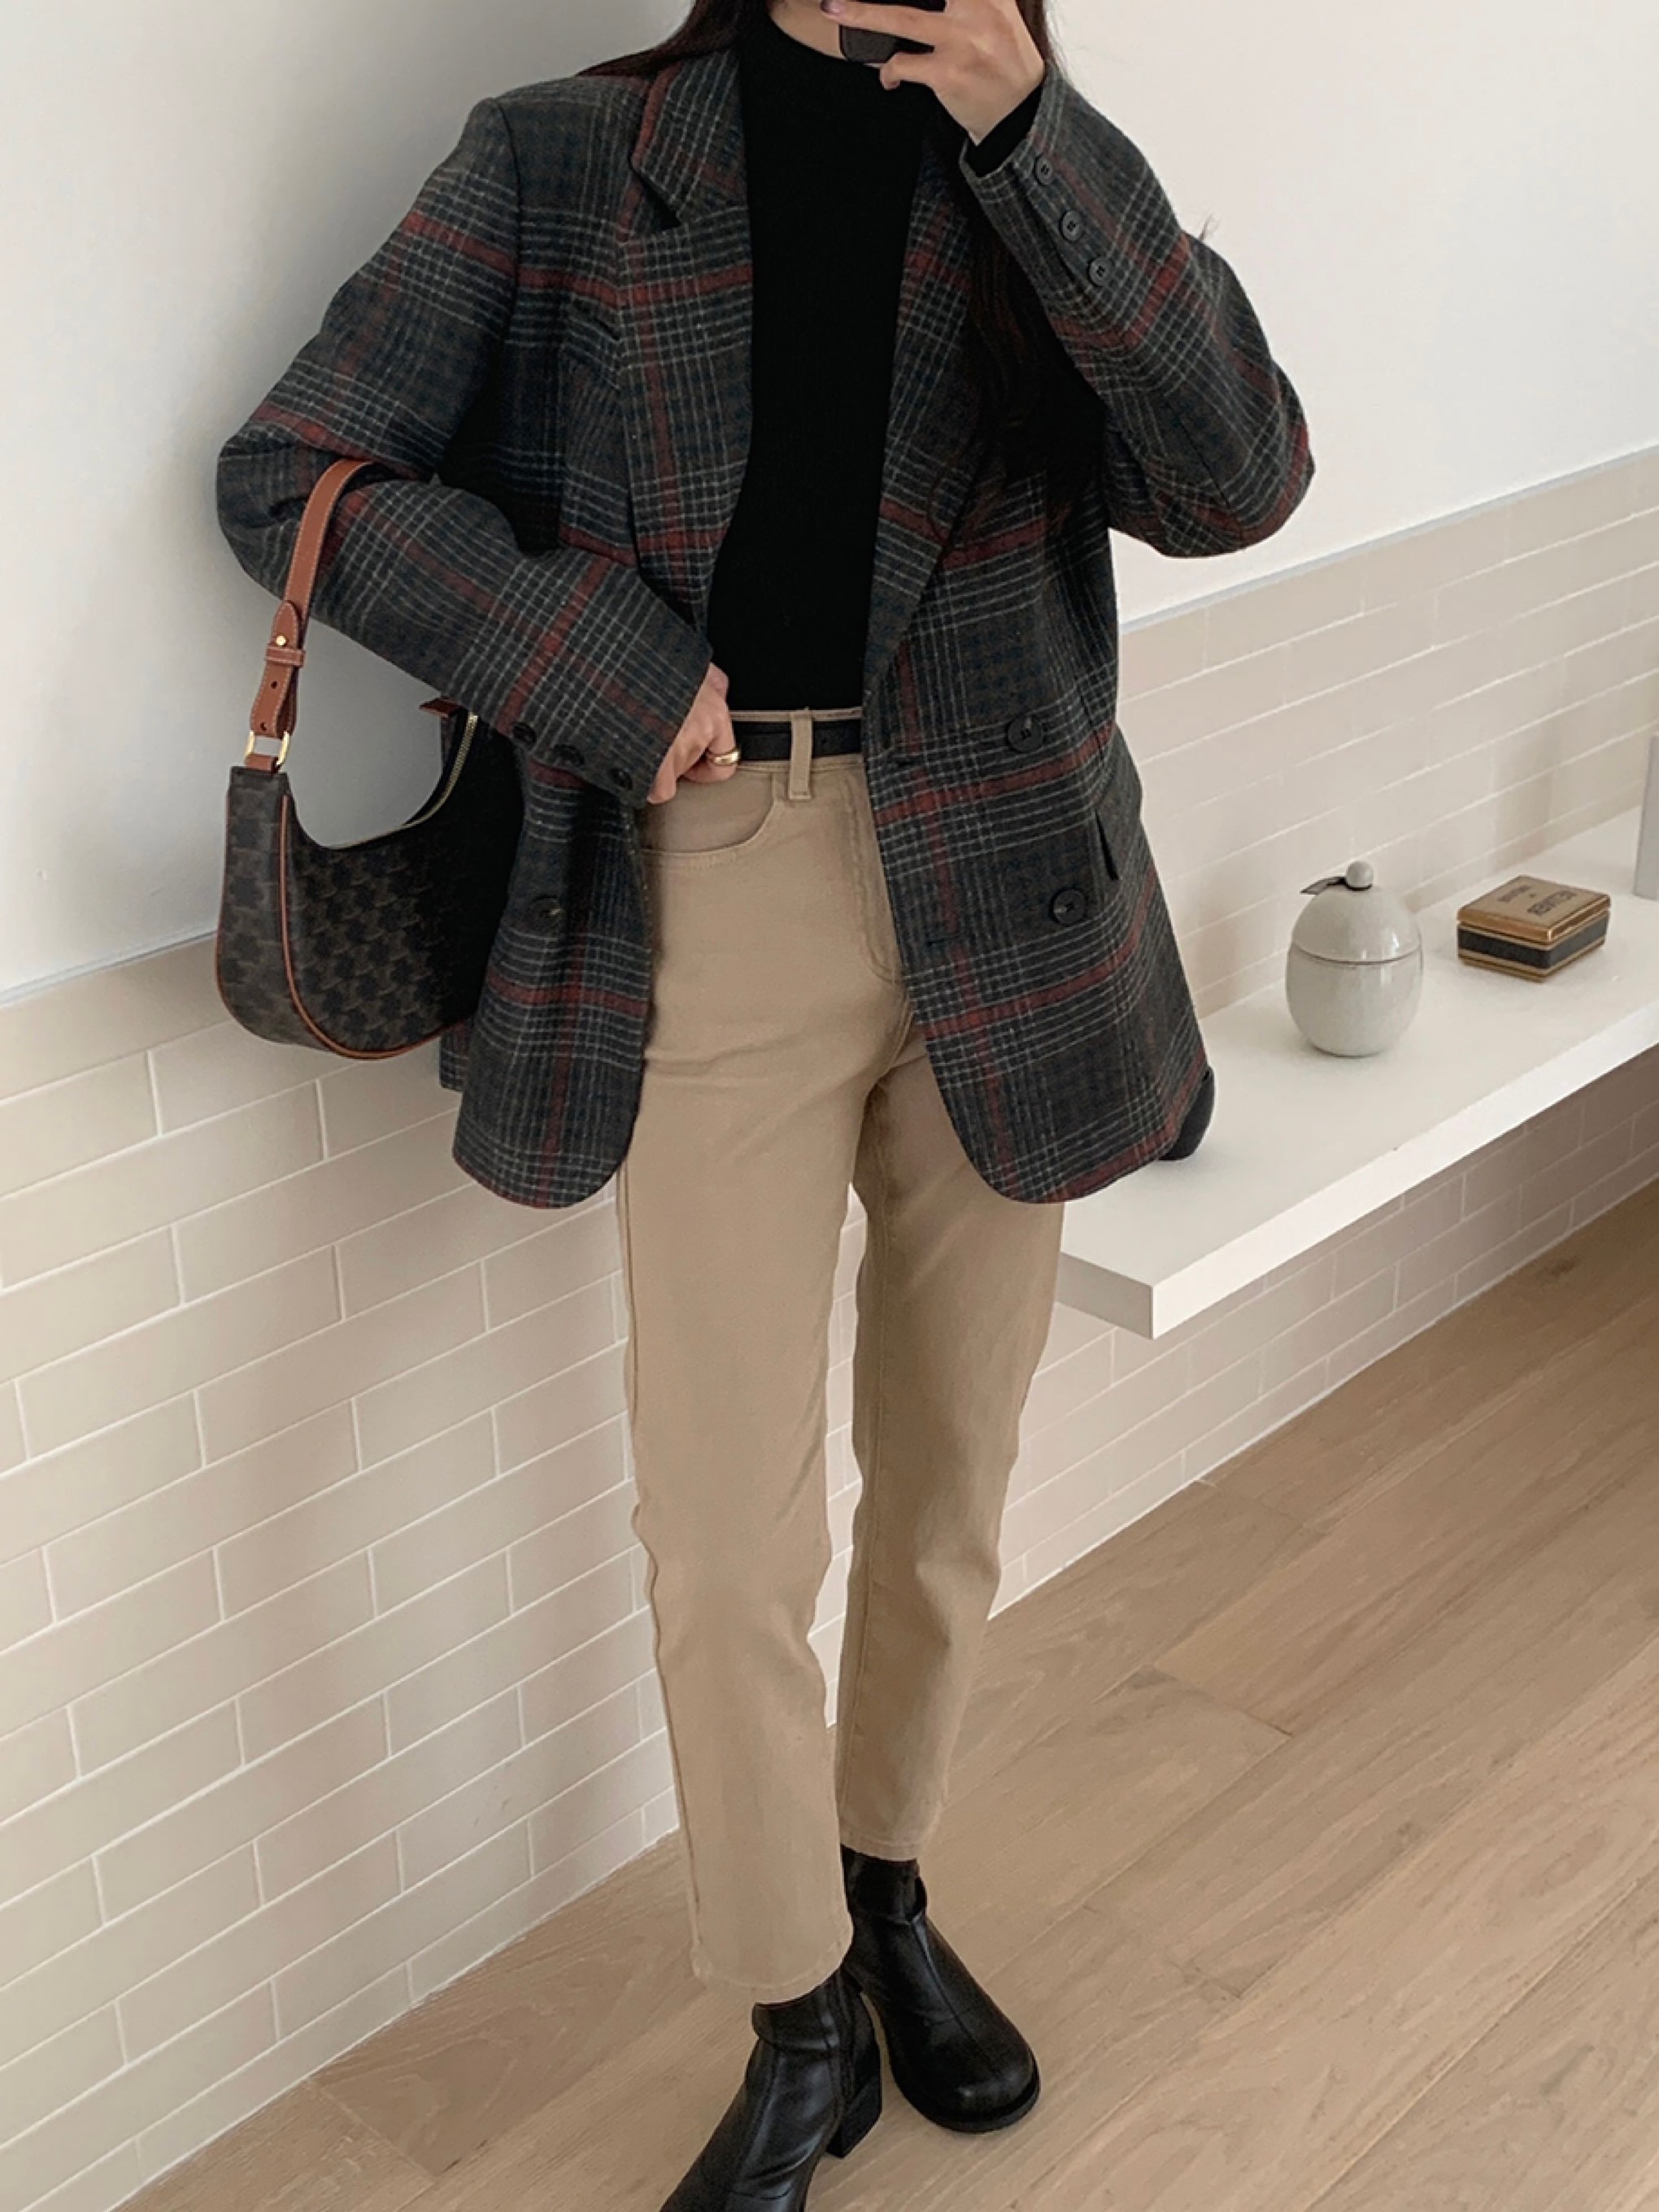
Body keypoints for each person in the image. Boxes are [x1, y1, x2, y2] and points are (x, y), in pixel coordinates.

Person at [216, 2, 1313, 2203]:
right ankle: (796, 2011)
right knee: (725, 1535)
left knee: (951, 1481)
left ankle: (888, 1887)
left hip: (1016, 892)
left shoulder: (1032, 164)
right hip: (714, 887)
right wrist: (602, 668)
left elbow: (1237, 478)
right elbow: (292, 474)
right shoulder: (565, 155)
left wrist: (1034, 132)